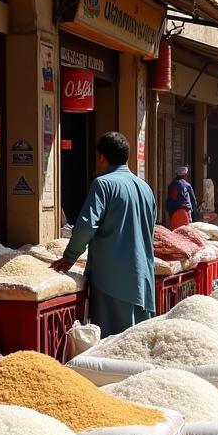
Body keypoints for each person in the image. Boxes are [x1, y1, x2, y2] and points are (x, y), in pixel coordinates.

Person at [54, 131, 156, 338]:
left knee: (113, 345)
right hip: (142, 278)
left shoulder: (103, 184)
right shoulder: (145, 188)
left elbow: (86, 226)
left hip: (112, 281)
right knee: (137, 343)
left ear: (101, 157)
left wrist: (69, 257)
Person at [164, 165, 197, 230]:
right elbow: (193, 201)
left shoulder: (171, 185)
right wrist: (194, 212)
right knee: (187, 232)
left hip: (174, 213)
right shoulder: (187, 185)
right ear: (185, 175)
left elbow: (169, 200)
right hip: (185, 212)